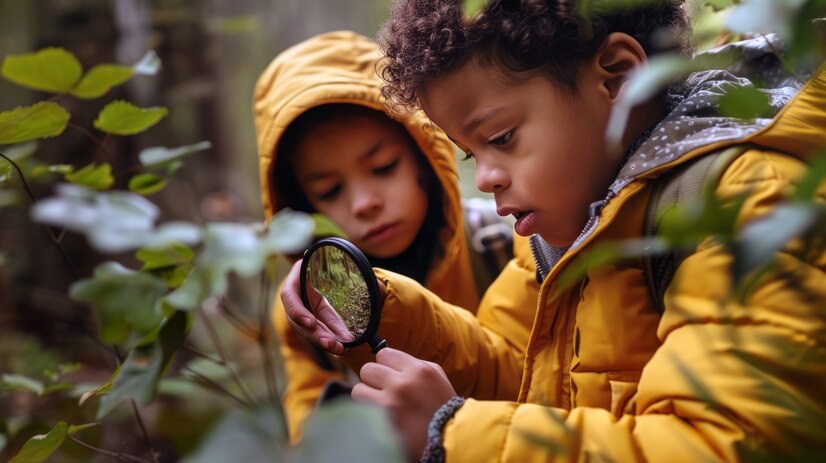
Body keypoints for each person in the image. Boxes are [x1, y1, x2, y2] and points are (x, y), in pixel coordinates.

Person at [280, 1, 826, 461]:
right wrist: (379, 306)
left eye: (503, 136)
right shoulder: (561, 233)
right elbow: (516, 372)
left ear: (617, 76)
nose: (488, 177)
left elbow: (721, 444)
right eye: (473, 155)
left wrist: (455, 435)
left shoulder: (745, 206)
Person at [252, 31, 538, 444]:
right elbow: (310, 426)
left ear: (425, 158)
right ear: (304, 209)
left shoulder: (503, 245)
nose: (365, 202)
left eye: (383, 167)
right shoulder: (309, 308)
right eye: (330, 191)